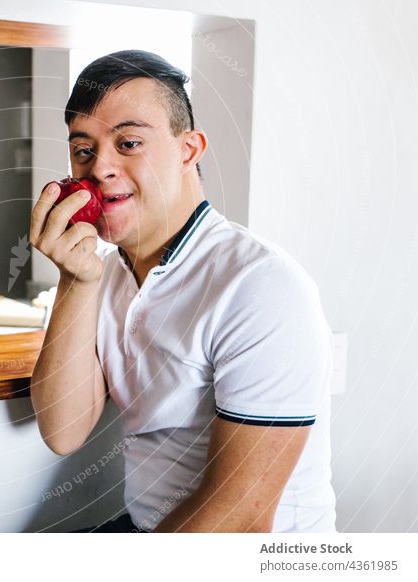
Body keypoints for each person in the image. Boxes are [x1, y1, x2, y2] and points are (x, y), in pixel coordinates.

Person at [29, 51, 335, 532]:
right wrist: (75, 278)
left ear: (189, 150)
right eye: (83, 150)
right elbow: (63, 430)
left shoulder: (261, 286)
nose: (100, 167)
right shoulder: (103, 274)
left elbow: (240, 518)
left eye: (128, 142)